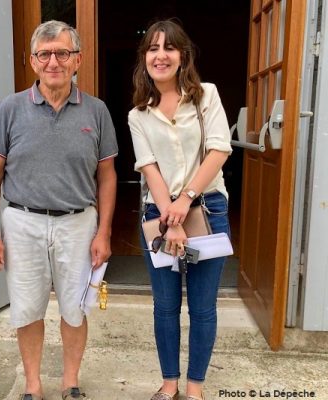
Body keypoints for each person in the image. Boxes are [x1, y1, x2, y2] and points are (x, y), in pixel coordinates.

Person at [0, 20, 118, 400]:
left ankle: (70, 381)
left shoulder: (97, 111)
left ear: (77, 60)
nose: (53, 61)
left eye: (62, 53)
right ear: (32, 61)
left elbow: (107, 176)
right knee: (27, 308)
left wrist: (104, 231)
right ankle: (33, 385)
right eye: (45, 54)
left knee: (75, 308)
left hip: (79, 223)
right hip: (22, 221)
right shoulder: (9, 109)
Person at [128, 19, 232, 400]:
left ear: (182, 55)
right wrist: (169, 217)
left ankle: (195, 387)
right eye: (152, 49)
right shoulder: (138, 114)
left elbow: (219, 149)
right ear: (145, 58)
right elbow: (149, 166)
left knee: (203, 308)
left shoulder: (207, 95)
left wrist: (185, 200)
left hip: (207, 209)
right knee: (165, 306)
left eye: (168, 48)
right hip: (159, 216)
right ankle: (169, 383)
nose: (160, 55)